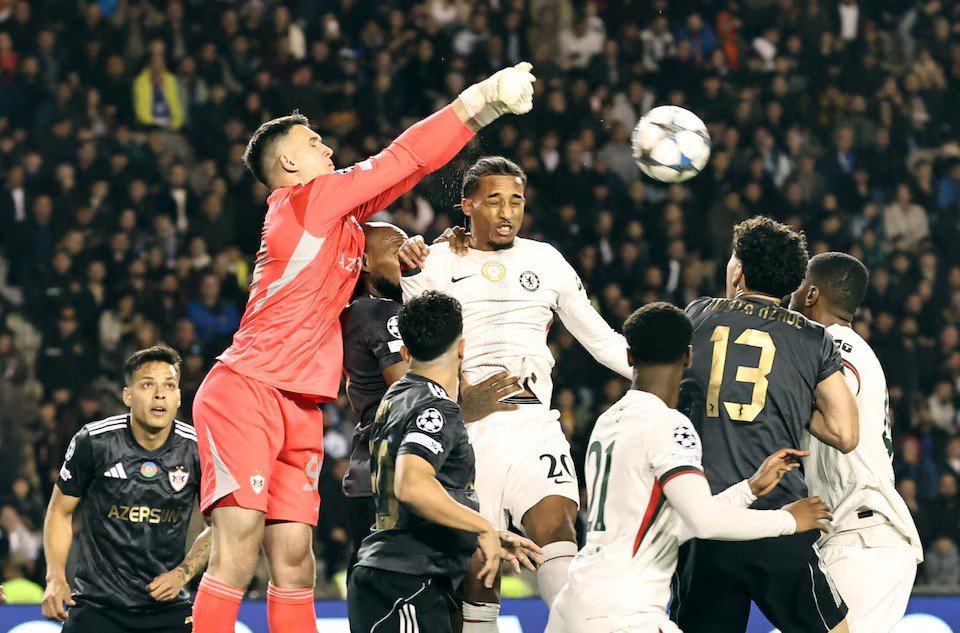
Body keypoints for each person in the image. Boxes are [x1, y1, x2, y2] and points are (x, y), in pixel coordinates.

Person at [189, 62, 537, 633]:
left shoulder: (338, 222)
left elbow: (405, 179)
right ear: (291, 164)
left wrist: (427, 246)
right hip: (246, 390)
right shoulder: (305, 202)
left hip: (300, 405)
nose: (326, 145)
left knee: (296, 563)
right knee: (239, 546)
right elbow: (402, 158)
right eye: (313, 140)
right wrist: (482, 101)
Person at [398, 156, 633, 628]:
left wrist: (664, 370)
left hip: (535, 426)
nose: (507, 212)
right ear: (467, 205)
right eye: (493, 200)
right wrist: (462, 405)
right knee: (480, 568)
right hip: (466, 434)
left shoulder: (545, 261)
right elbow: (414, 362)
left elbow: (602, 339)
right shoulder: (434, 263)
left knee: (558, 531)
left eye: (516, 201)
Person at [548, 302, 832, 633]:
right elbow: (704, 522)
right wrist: (789, 520)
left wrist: (749, 488)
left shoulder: (609, 420)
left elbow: (669, 523)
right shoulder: (670, 426)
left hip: (574, 605)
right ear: (688, 356)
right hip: (624, 613)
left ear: (628, 357)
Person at [671, 216, 859, 633]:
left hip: (709, 520)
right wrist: (790, 401)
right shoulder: (815, 338)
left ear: (738, 272)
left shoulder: (698, 314)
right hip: (781, 516)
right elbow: (846, 434)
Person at [347, 291, 541, 632]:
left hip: (389, 578)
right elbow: (411, 487)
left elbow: (409, 499)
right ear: (462, 348)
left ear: (405, 352)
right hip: (406, 583)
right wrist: (480, 526)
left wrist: (478, 530)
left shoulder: (395, 397)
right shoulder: (437, 409)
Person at [340, 222, 522, 576]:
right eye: (397, 249)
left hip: (387, 473)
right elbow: (410, 392)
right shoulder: (377, 311)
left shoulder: (375, 312)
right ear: (364, 263)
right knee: (404, 600)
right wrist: (467, 406)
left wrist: (436, 264)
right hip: (393, 478)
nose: (408, 254)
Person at [790, 252, 923, 632]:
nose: (792, 295)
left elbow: (839, 427)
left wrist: (786, 400)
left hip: (862, 539)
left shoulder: (832, 345)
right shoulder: (849, 345)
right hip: (857, 538)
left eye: (799, 286)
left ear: (812, 293)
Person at [41, 346, 209, 632]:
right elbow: (59, 511)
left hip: (167, 608)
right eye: (147, 385)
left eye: (169, 385)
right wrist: (55, 577)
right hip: (97, 607)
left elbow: (220, 526)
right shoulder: (94, 441)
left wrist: (182, 574)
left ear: (179, 396)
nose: (160, 394)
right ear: (127, 395)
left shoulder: (198, 449)